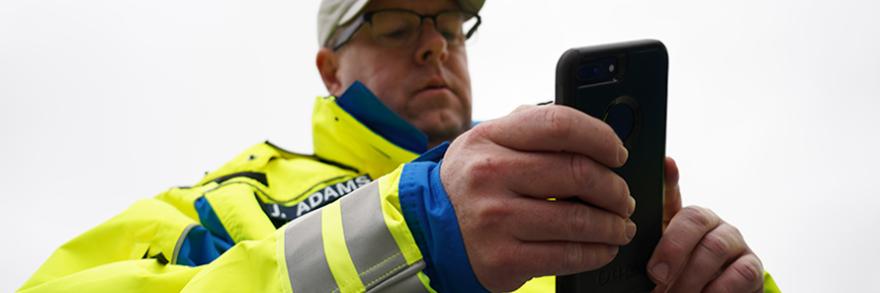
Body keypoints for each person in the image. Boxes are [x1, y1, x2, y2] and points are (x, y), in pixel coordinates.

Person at [20, 0, 780, 292]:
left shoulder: (560, 218)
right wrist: (412, 229)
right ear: (330, 66)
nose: (432, 47)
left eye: (449, 25)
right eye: (394, 22)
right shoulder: (224, 203)